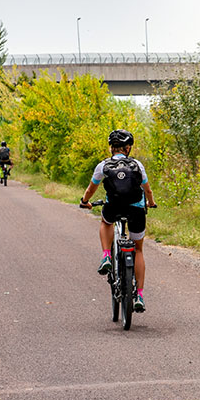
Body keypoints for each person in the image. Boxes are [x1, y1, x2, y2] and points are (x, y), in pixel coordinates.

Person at [79, 129, 156, 313]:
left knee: (106, 222)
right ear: (128, 148)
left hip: (113, 207)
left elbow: (91, 189)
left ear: (112, 148)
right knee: (138, 249)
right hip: (136, 210)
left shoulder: (103, 166)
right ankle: (139, 295)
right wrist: (151, 203)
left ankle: (106, 255)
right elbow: (147, 190)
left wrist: (85, 202)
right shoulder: (137, 165)